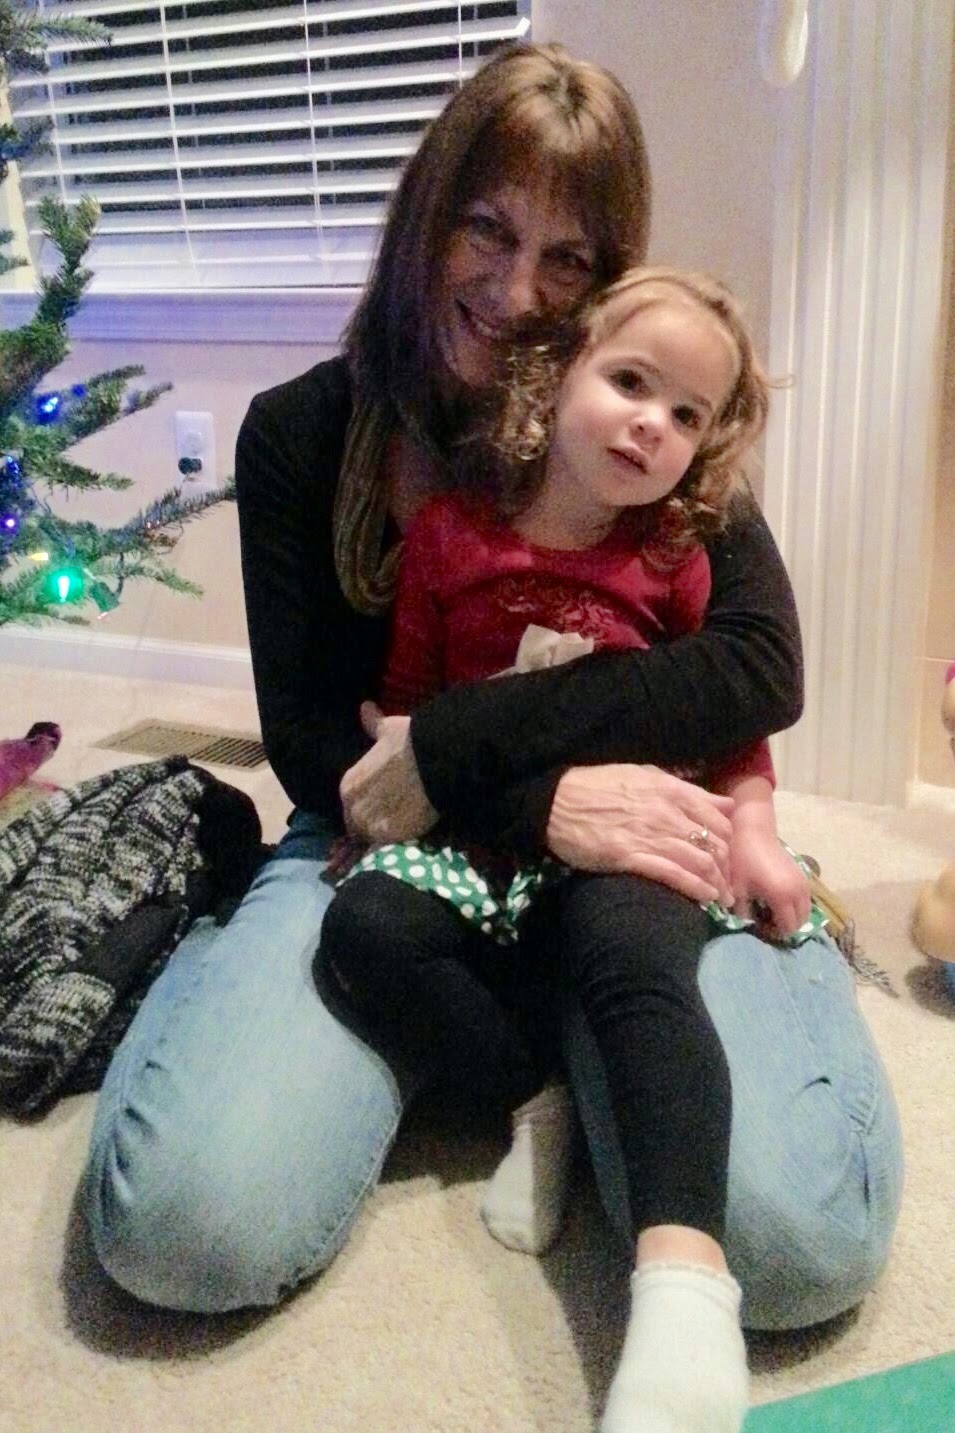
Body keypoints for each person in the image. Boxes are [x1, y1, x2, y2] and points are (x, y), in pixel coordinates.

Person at [83, 38, 901, 1387]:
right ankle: (527, 1058)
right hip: (388, 841)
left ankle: (602, 1029)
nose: (517, 290)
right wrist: (537, 798)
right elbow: (318, 747)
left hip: (642, 849)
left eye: (566, 258)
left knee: (793, 1241)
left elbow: (757, 669)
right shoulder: (300, 434)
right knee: (184, 1226)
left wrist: (466, 746)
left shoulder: (649, 433)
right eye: (485, 227)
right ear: (425, 212)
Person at [320, 266, 811, 1433]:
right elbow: (412, 713)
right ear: (555, 376)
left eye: (685, 413)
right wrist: (391, 776)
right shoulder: (449, 537)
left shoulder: (675, 559)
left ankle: (685, 1289)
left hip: (630, 831)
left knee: (635, 958)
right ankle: (537, 1091)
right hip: (486, 830)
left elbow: (733, 720)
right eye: (629, 382)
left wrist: (753, 830)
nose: (651, 423)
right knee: (365, 930)